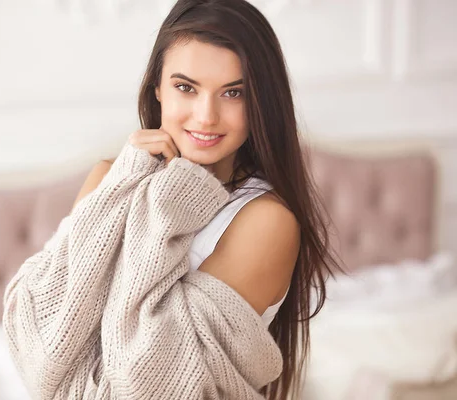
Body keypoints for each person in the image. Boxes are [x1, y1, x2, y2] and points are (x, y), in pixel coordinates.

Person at [71, 0, 340, 398]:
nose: (206, 116)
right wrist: (133, 181)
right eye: (186, 87)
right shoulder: (110, 179)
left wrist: (164, 195)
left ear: (260, 104)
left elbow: (153, 377)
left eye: (233, 93)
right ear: (157, 89)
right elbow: (52, 324)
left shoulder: (266, 221)